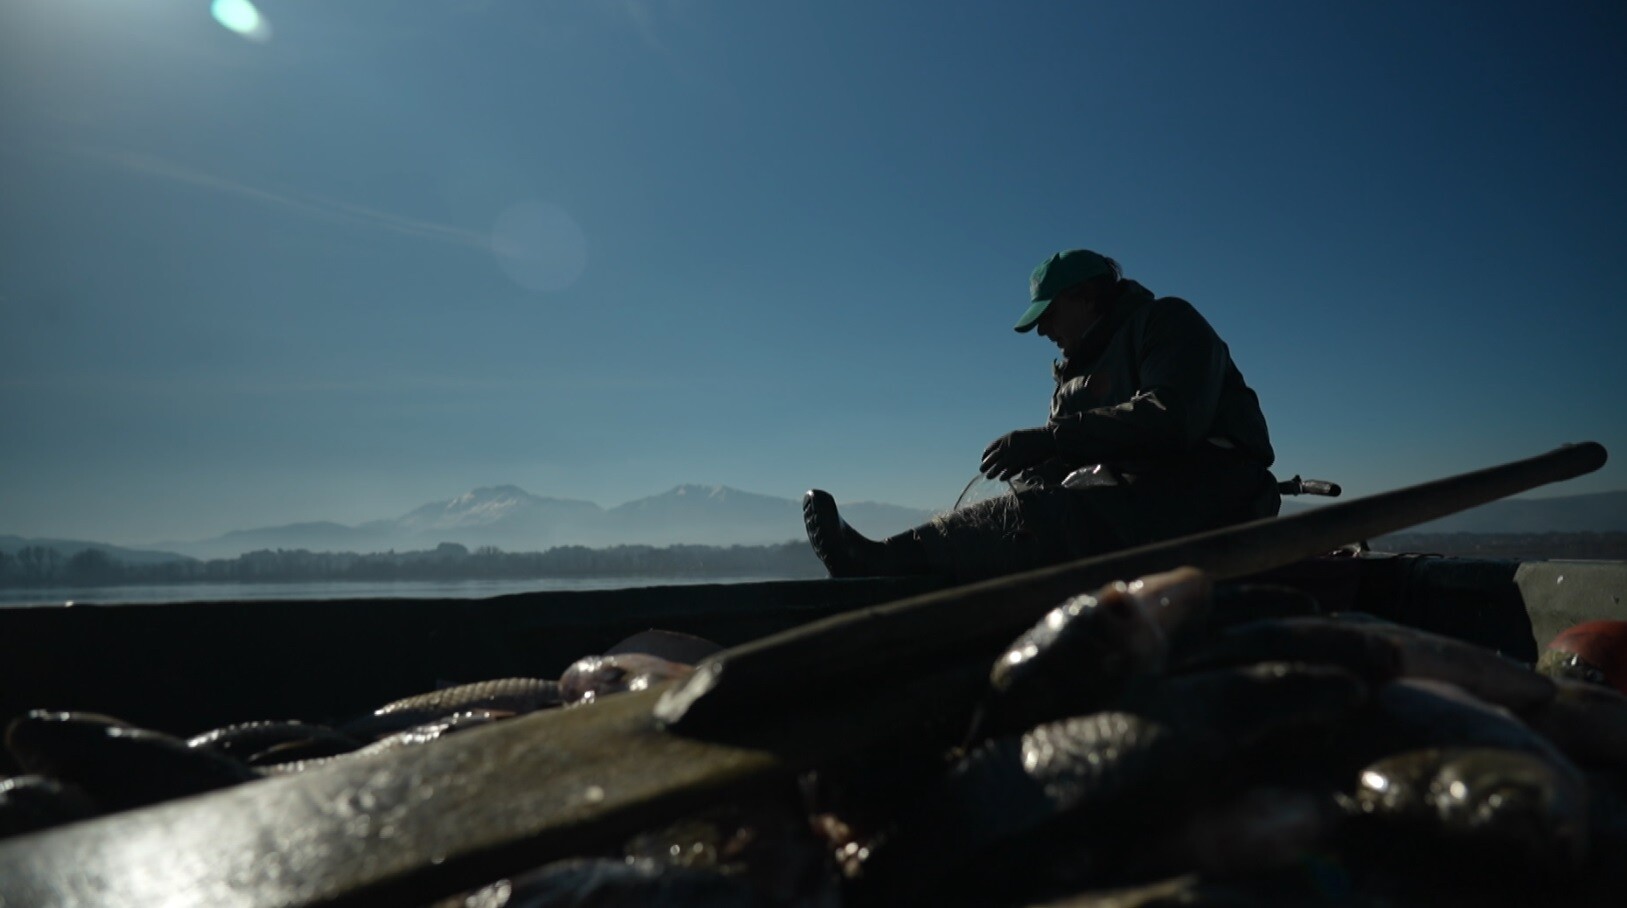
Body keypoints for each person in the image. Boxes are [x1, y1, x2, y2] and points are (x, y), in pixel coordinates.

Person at [802, 248, 1280, 581]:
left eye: (1049, 314)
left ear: (1088, 296)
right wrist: (1040, 467)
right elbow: (1076, 456)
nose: (1042, 331)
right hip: (1137, 501)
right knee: (1031, 509)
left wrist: (1053, 440)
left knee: (1057, 519)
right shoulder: (1071, 383)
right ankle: (896, 561)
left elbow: (1173, 417)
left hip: (1214, 489)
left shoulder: (1166, 322)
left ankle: (877, 561)